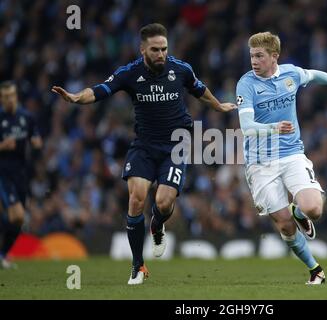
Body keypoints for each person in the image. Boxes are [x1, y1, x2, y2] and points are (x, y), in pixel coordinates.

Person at [52, 23, 236, 285]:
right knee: (137, 199)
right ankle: (138, 266)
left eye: (164, 49)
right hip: (144, 146)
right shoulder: (129, 73)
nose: (161, 54)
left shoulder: (181, 69)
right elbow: (99, 91)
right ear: (142, 50)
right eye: (155, 50)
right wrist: (74, 97)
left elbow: (199, 89)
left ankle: (158, 223)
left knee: (163, 203)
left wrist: (218, 106)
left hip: (175, 145)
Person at [235, 31, 327, 285]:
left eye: (259, 56)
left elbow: (315, 75)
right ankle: (315, 269)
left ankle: (299, 210)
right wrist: (273, 128)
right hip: (261, 163)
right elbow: (247, 126)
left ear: (274, 56)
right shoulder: (246, 84)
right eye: (251, 55)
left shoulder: (291, 74)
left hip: (292, 153)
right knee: (284, 224)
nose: (254, 61)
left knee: (314, 209)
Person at [0, 81, 43, 269]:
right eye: (6, 96)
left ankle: (3, 254)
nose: (10, 99)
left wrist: (36, 142)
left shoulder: (27, 117)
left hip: (21, 173)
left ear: (16, 96)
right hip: (3, 172)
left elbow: (36, 138)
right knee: (16, 216)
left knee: (19, 218)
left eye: (12, 95)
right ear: (1, 98)